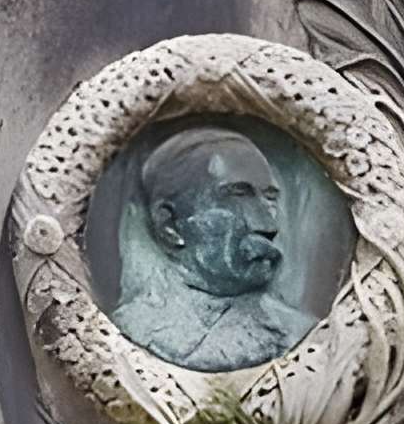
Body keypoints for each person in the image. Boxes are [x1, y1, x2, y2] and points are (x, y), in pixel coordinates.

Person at [111, 126, 315, 371]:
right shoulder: (129, 326)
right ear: (170, 225)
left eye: (270, 198)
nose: (270, 226)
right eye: (239, 194)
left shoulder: (300, 332)